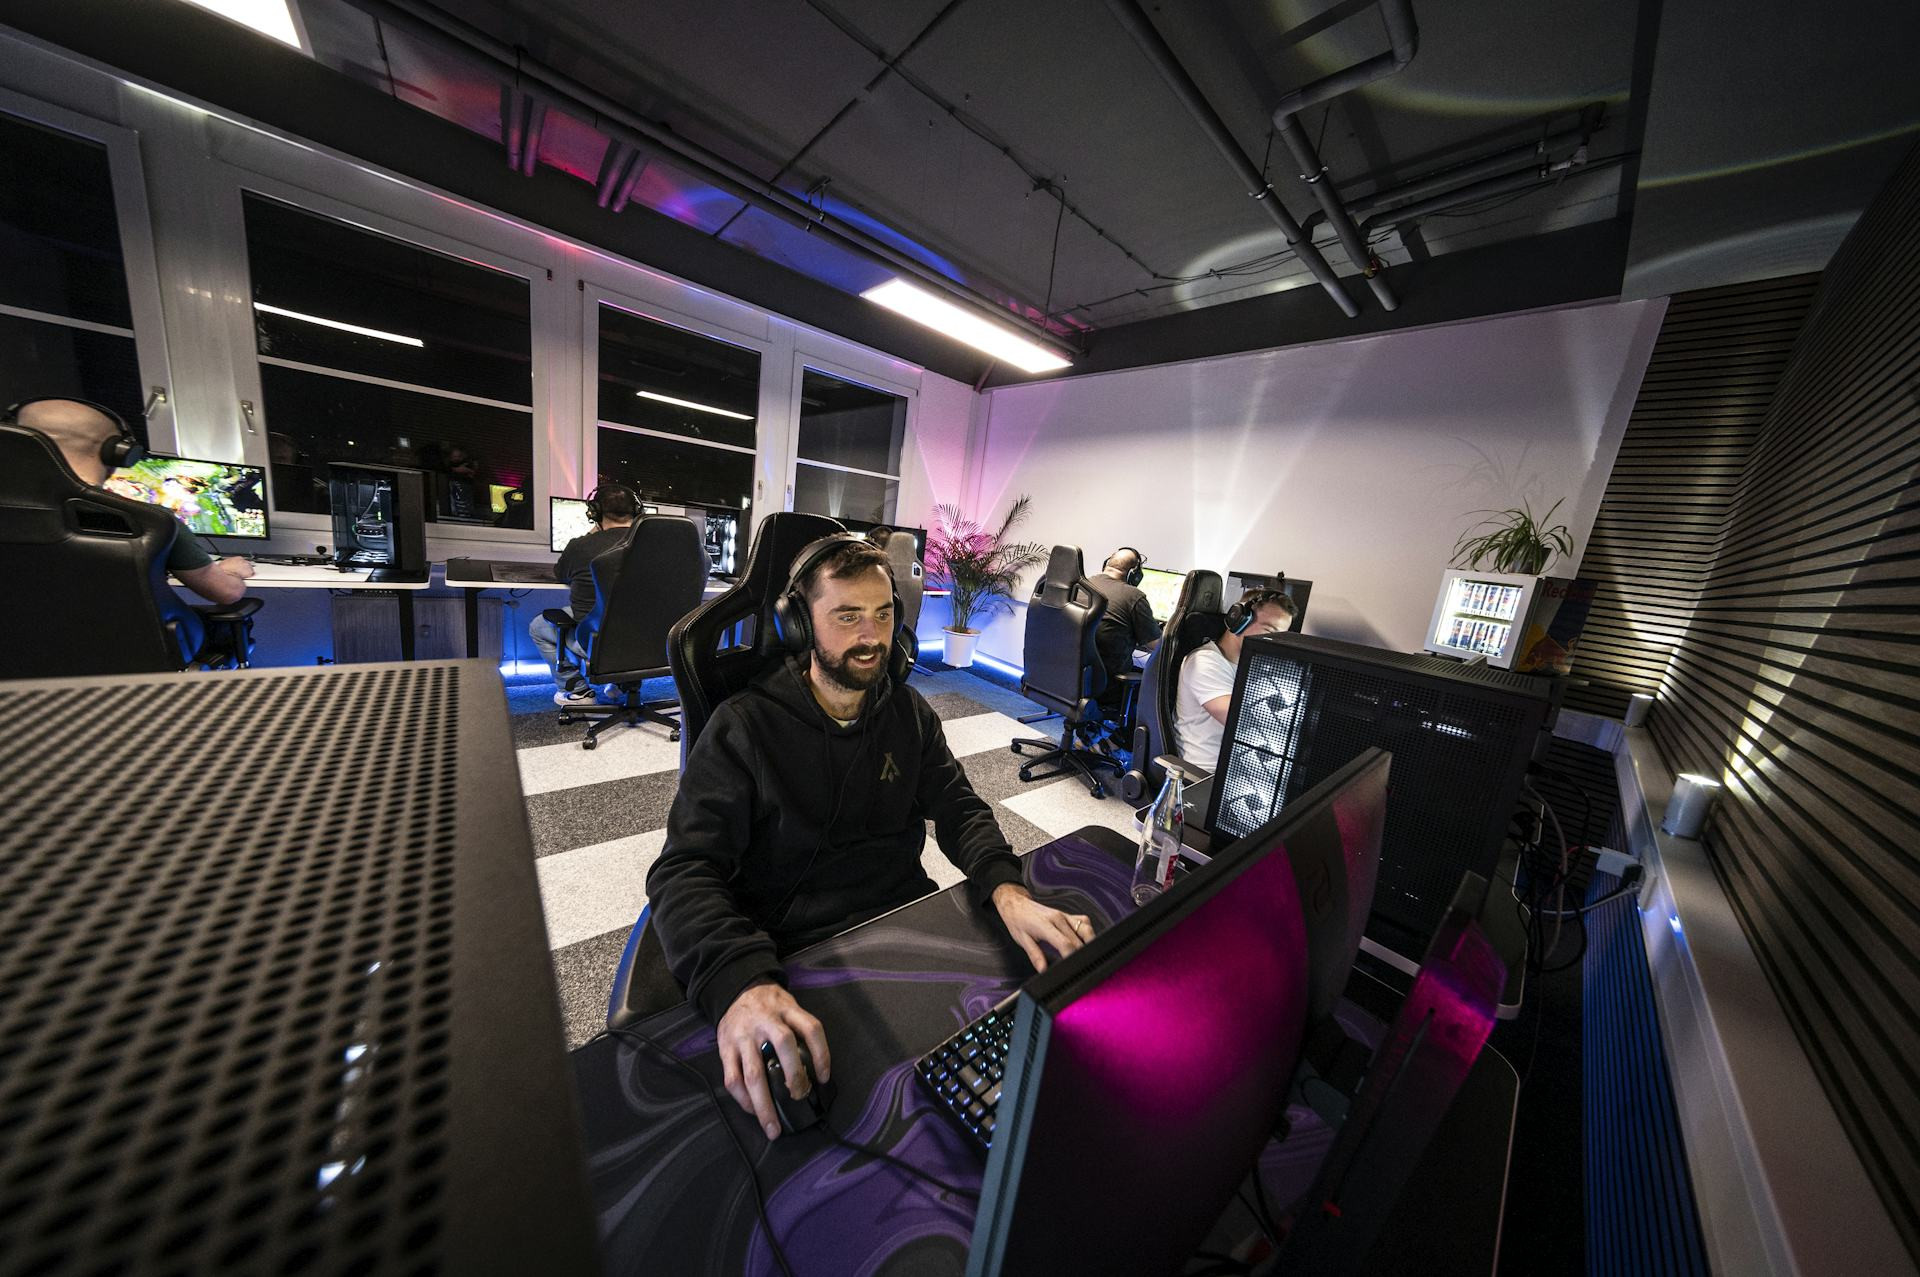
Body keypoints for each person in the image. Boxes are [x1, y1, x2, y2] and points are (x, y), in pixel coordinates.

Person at [645, 535, 1093, 1141]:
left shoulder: (907, 713)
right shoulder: (743, 727)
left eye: (883, 614)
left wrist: (1006, 889)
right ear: (799, 626)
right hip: (795, 949)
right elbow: (684, 868)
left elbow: (959, 808)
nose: (871, 636)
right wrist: (740, 983)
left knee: (1035, 1049)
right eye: (847, 616)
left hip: (903, 921)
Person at [11, 398, 251, 606]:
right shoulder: (151, 521)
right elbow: (227, 593)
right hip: (131, 642)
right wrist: (226, 571)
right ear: (119, 453)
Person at [529, 483, 639, 706]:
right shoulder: (657, 547)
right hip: (650, 644)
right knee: (630, 613)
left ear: (594, 513)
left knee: (538, 627)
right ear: (638, 512)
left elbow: (561, 574)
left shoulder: (580, 547)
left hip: (599, 644)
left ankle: (577, 690)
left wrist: (592, 534)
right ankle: (622, 683)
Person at [1174, 587, 1296, 770]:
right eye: (1270, 632)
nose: (1275, 643)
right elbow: (1241, 719)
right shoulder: (1204, 661)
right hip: (1206, 774)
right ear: (1238, 619)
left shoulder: (1252, 666)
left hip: (1242, 770)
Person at [1084, 547, 1163, 719]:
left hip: (1075, 677)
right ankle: (1119, 735)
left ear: (1107, 564)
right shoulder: (1134, 596)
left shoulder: (1083, 585)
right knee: (1156, 687)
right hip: (1105, 685)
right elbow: (1155, 645)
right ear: (1135, 574)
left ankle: (1090, 729)